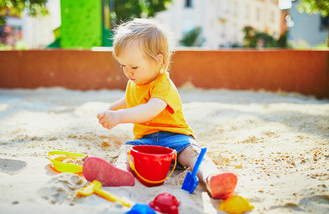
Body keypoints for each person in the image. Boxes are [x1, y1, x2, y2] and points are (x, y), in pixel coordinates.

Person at [91, 18, 236, 199]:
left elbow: (150, 109)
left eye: (134, 66)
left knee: (193, 154)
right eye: (123, 66)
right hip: (147, 141)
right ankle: (121, 172)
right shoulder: (134, 82)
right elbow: (129, 100)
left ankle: (212, 177)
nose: (128, 72)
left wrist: (119, 117)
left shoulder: (163, 85)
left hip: (176, 137)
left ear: (159, 61)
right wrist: (110, 111)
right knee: (127, 149)